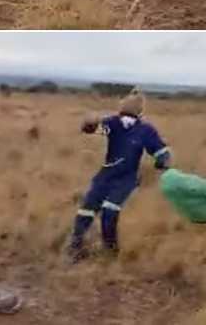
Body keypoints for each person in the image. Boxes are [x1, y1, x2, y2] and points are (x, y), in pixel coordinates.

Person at [68, 88, 172, 262]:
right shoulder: (113, 123)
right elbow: (93, 129)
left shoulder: (146, 130)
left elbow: (161, 151)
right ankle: (76, 247)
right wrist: (89, 123)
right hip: (106, 175)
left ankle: (110, 252)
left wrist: (162, 161)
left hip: (126, 178)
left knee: (109, 211)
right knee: (86, 209)